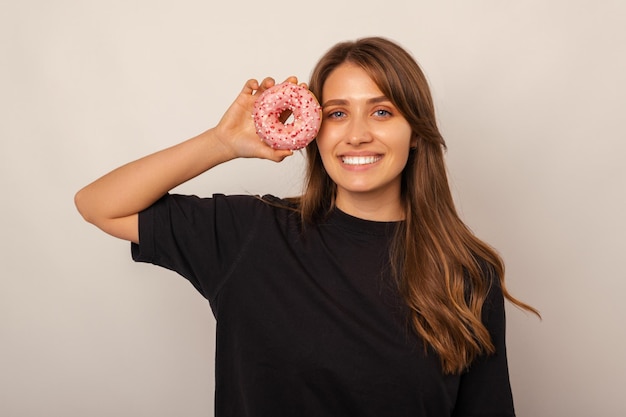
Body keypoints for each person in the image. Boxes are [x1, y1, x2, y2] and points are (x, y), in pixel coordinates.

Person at [75, 36, 538, 416]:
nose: (356, 133)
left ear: (414, 132)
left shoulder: (466, 271)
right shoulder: (251, 233)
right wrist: (221, 143)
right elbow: (98, 204)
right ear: (313, 129)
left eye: (382, 111)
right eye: (338, 113)